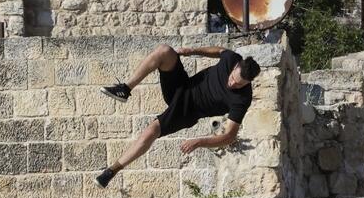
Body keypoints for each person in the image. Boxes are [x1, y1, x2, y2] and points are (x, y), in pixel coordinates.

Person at [93, 44, 260, 188]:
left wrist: (200, 141)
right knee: (165, 51)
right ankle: (125, 89)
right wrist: (193, 50)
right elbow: (220, 51)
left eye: (238, 84)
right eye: (232, 78)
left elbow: (229, 136)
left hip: (187, 111)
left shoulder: (242, 99)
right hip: (182, 87)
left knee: (151, 130)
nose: (232, 84)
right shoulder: (232, 58)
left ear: (248, 83)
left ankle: (111, 171)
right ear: (235, 66)